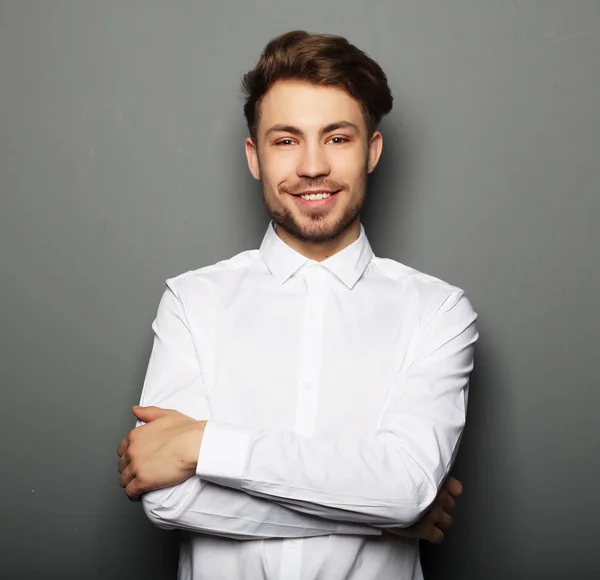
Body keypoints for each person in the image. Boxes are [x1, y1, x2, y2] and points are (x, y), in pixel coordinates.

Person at [117, 30, 478, 580]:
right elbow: (166, 501)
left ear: (372, 151)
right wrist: (380, 516)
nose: (313, 166)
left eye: (337, 138)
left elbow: (406, 488)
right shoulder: (192, 302)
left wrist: (203, 446)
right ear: (255, 157)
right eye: (286, 140)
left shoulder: (439, 312)